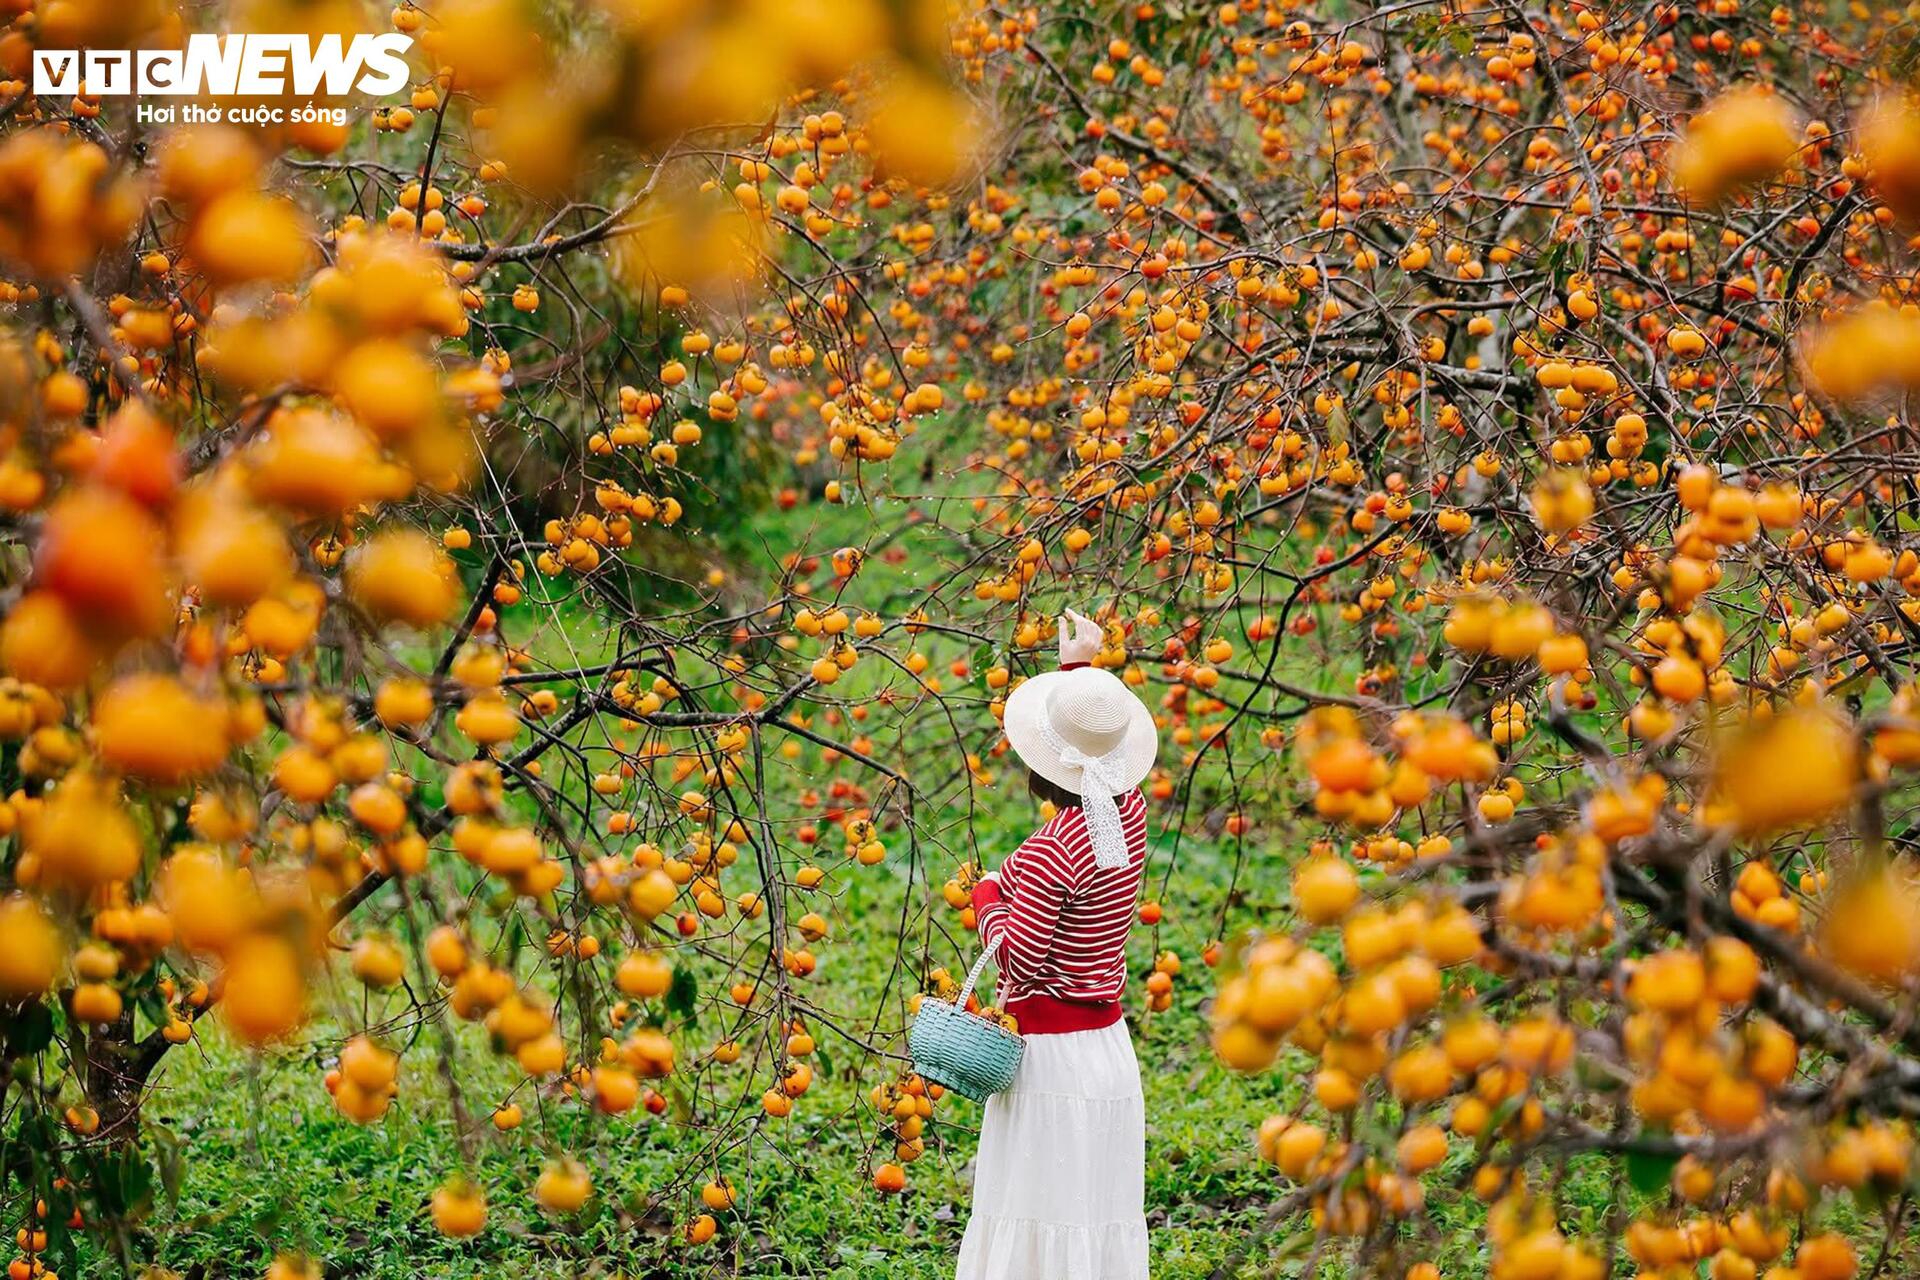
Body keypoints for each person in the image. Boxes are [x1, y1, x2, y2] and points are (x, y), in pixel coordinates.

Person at [956, 608, 1157, 1280]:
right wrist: (1081, 672)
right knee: (1091, 1218)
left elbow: (1018, 961)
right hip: (1105, 1050)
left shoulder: (1051, 851)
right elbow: (1094, 743)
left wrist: (986, 897)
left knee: (1037, 1221)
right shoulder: (1129, 811)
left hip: (1050, 1064)